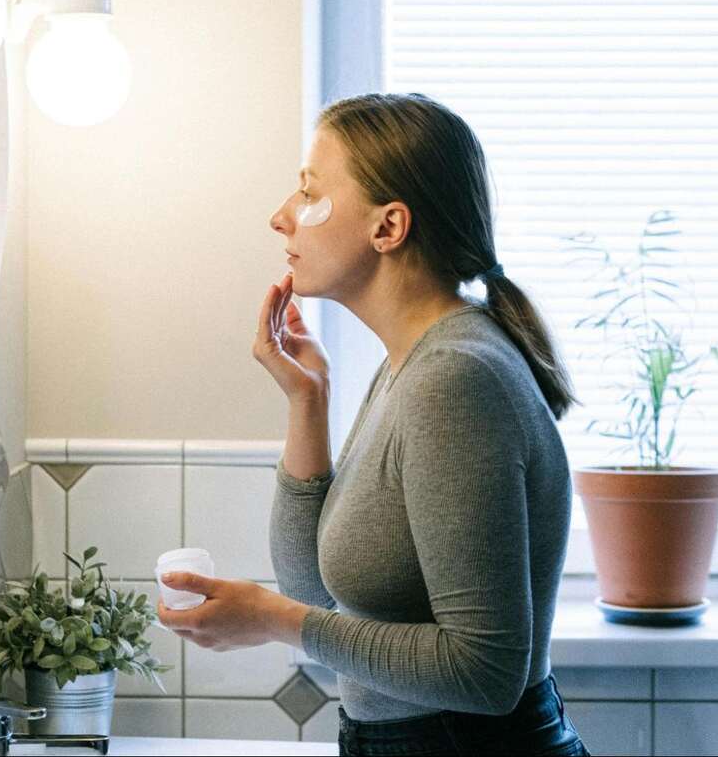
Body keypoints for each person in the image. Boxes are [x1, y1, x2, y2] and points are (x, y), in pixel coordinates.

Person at [158, 92, 589, 756]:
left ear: (388, 228)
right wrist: (309, 400)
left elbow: (486, 670)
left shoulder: (455, 378)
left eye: (307, 193)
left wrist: (273, 620)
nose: (280, 218)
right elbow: (316, 590)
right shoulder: (412, 363)